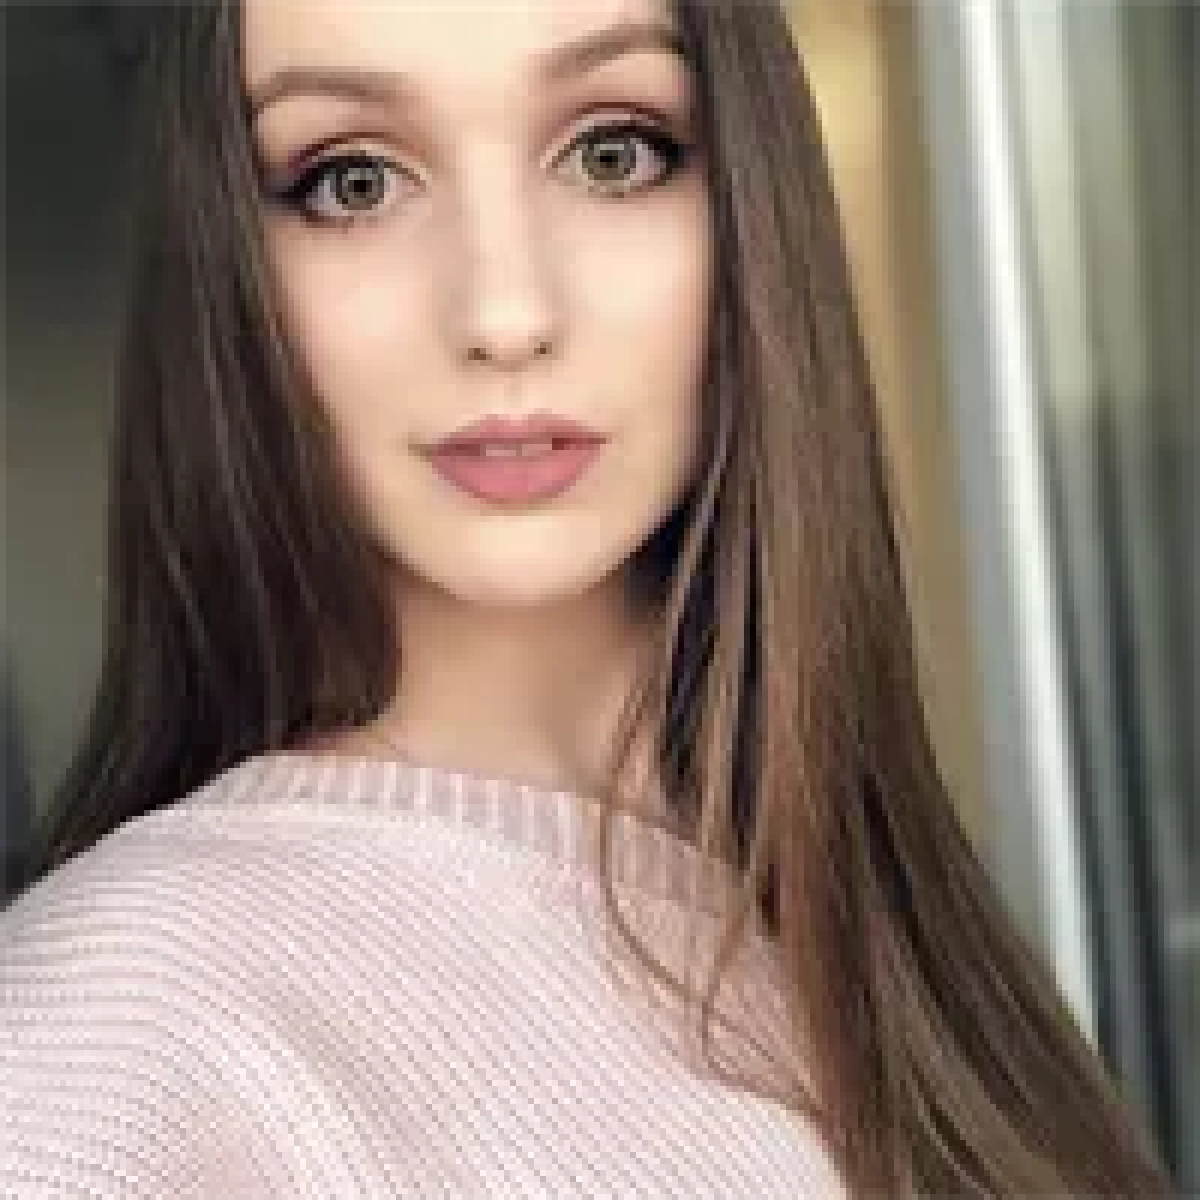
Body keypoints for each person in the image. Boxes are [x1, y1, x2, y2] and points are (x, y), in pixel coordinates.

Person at [1, 1, 1175, 1196]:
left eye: (613, 153)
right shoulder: (115, 1034)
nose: (505, 315)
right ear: (223, 269)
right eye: (352, 182)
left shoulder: (896, 944)